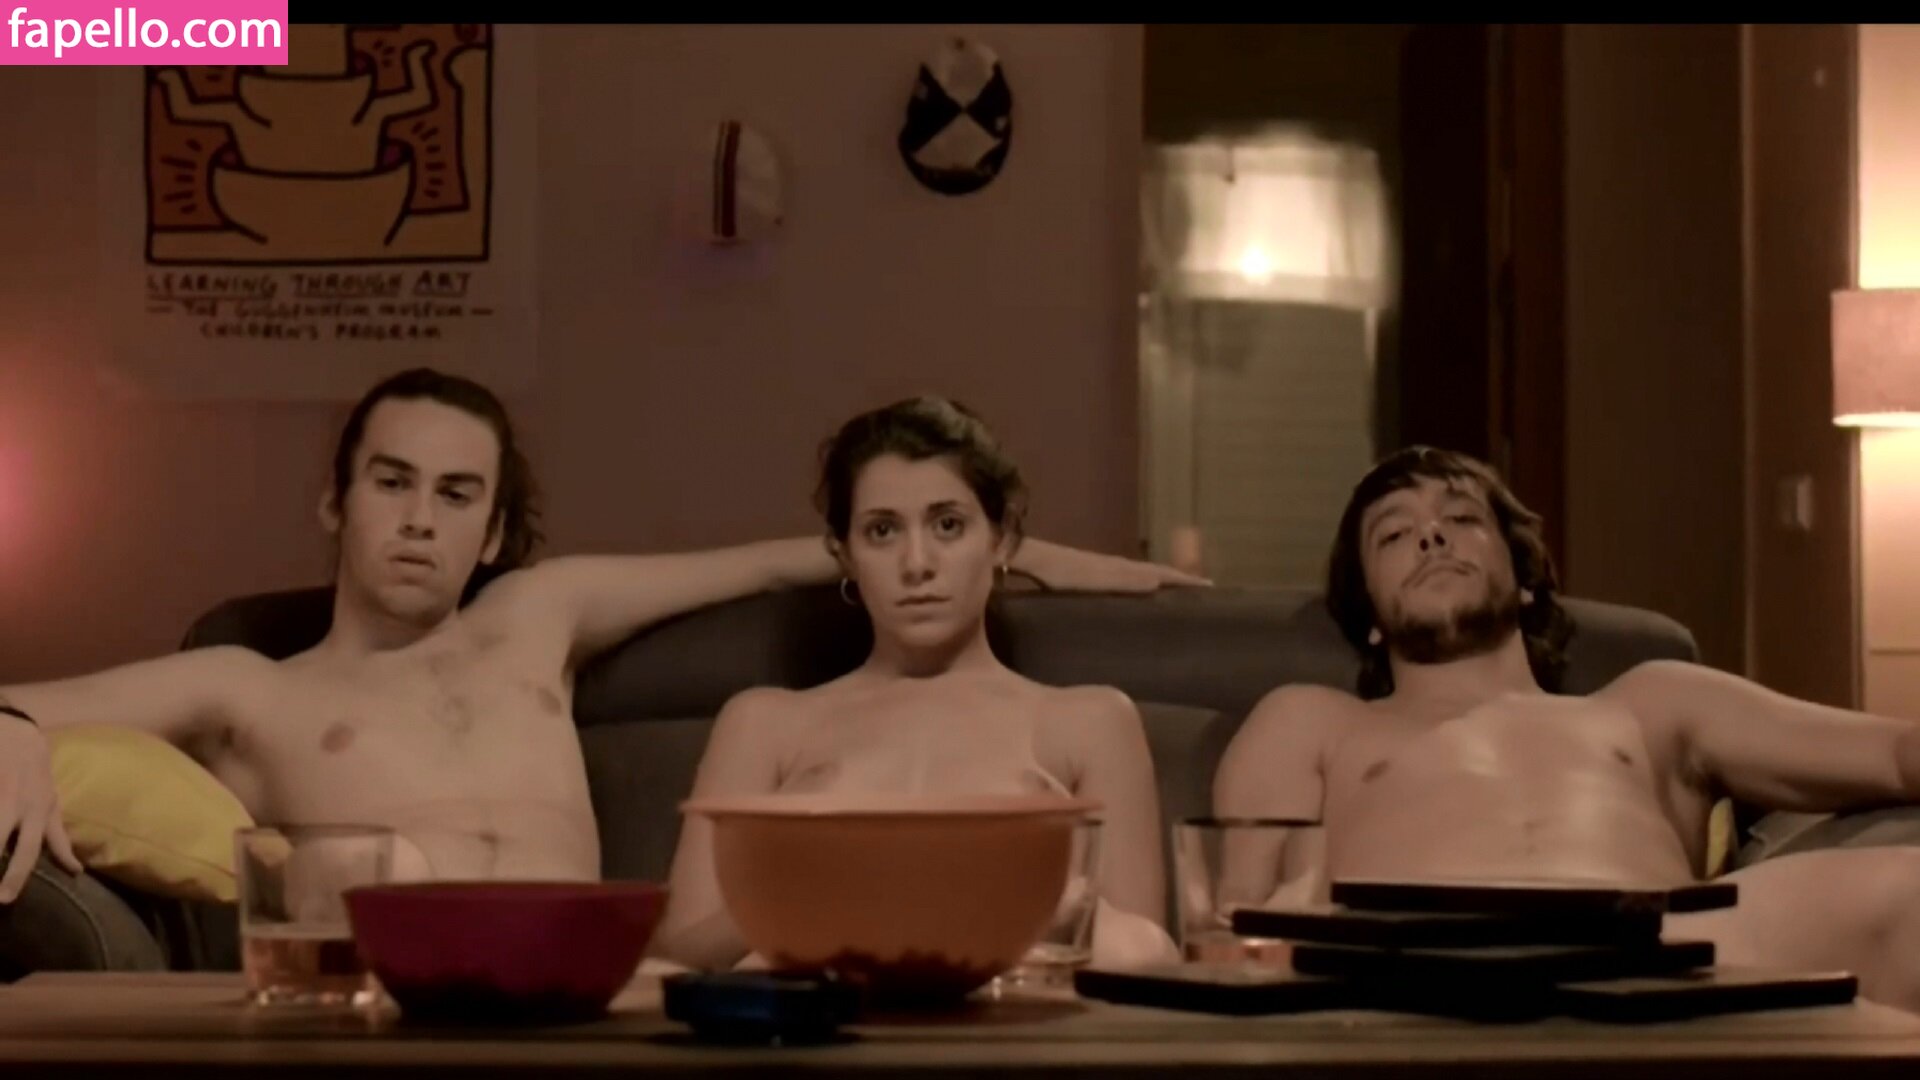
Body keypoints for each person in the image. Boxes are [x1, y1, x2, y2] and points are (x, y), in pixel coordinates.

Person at [0, 368, 1204, 904]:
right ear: (336, 502)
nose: (420, 521)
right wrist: (12, 733)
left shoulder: (538, 613)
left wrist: (1033, 561)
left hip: (577, 998)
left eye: (457, 496)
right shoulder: (244, 685)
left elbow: (792, 554)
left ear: (494, 531)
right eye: (392, 483)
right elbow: (30, 703)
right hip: (386, 1003)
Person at [1214, 445, 1920, 1012]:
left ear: (1524, 579)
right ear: (1367, 614)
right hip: (1412, 971)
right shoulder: (1312, 720)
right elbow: (1234, 924)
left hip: (1661, 960)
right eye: (1394, 534)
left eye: (1462, 518)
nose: (1431, 535)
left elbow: (1894, 754)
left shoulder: (1649, 701)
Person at [652, 396, 1179, 971]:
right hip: (818, 1018)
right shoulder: (765, 723)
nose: (917, 564)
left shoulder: (1089, 721)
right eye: (882, 531)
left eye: (948, 525)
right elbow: (683, 953)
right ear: (845, 555)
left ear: (1001, 539)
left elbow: (1146, 963)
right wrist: (809, 880)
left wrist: (1016, 890)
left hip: (1015, 1014)